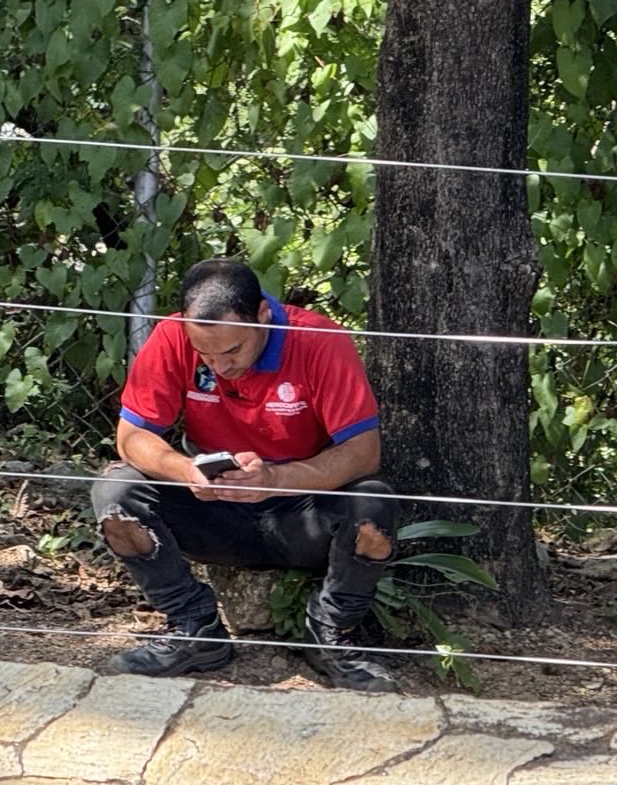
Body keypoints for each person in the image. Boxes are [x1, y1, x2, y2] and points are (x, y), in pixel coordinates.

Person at [92, 257, 400, 692]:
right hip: (211, 505)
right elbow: (132, 437)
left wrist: (275, 479)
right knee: (117, 492)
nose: (219, 366)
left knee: (374, 502)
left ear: (263, 316)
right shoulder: (171, 334)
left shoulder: (318, 338)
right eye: (204, 354)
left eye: (233, 351)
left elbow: (363, 454)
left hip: (301, 512)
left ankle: (331, 634)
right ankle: (194, 628)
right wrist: (185, 471)